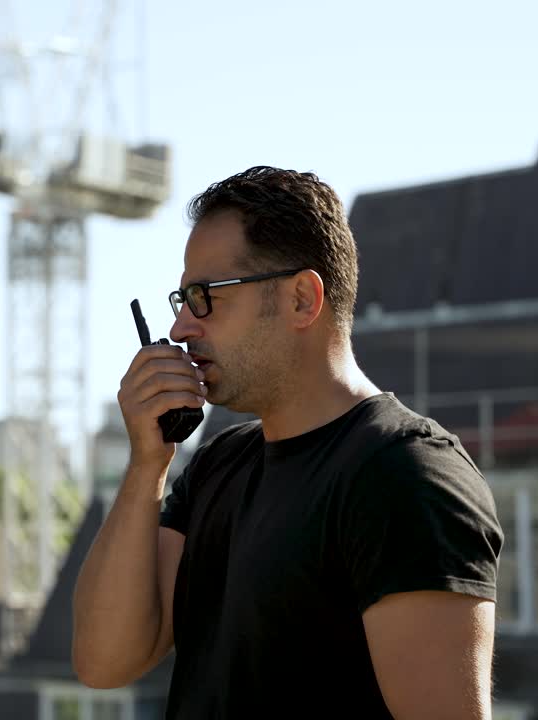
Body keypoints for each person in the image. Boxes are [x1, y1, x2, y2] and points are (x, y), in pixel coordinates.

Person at [71, 166, 503, 718]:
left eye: (205, 297)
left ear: (302, 298)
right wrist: (147, 466)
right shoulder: (217, 466)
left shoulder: (406, 474)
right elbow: (103, 662)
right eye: (181, 299)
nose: (180, 328)